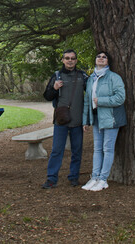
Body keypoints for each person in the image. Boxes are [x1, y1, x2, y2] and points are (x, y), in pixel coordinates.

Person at [42, 49, 88, 188]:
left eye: (73, 58)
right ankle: (51, 178)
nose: (70, 60)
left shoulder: (82, 76)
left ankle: (74, 177)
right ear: (63, 60)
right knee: (57, 150)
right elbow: (47, 96)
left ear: (76, 60)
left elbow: (92, 93)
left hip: (77, 121)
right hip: (61, 120)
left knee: (77, 150)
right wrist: (54, 88)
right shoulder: (56, 76)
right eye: (67, 58)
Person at [81, 51, 126, 191]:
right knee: (97, 149)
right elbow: (87, 101)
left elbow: (120, 97)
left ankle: (103, 179)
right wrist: (85, 121)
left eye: (104, 57)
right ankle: (94, 177)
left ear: (108, 61)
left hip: (111, 118)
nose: (101, 59)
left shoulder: (114, 77)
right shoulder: (91, 79)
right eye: (98, 56)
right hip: (96, 118)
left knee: (107, 149)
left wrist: (101, 101)